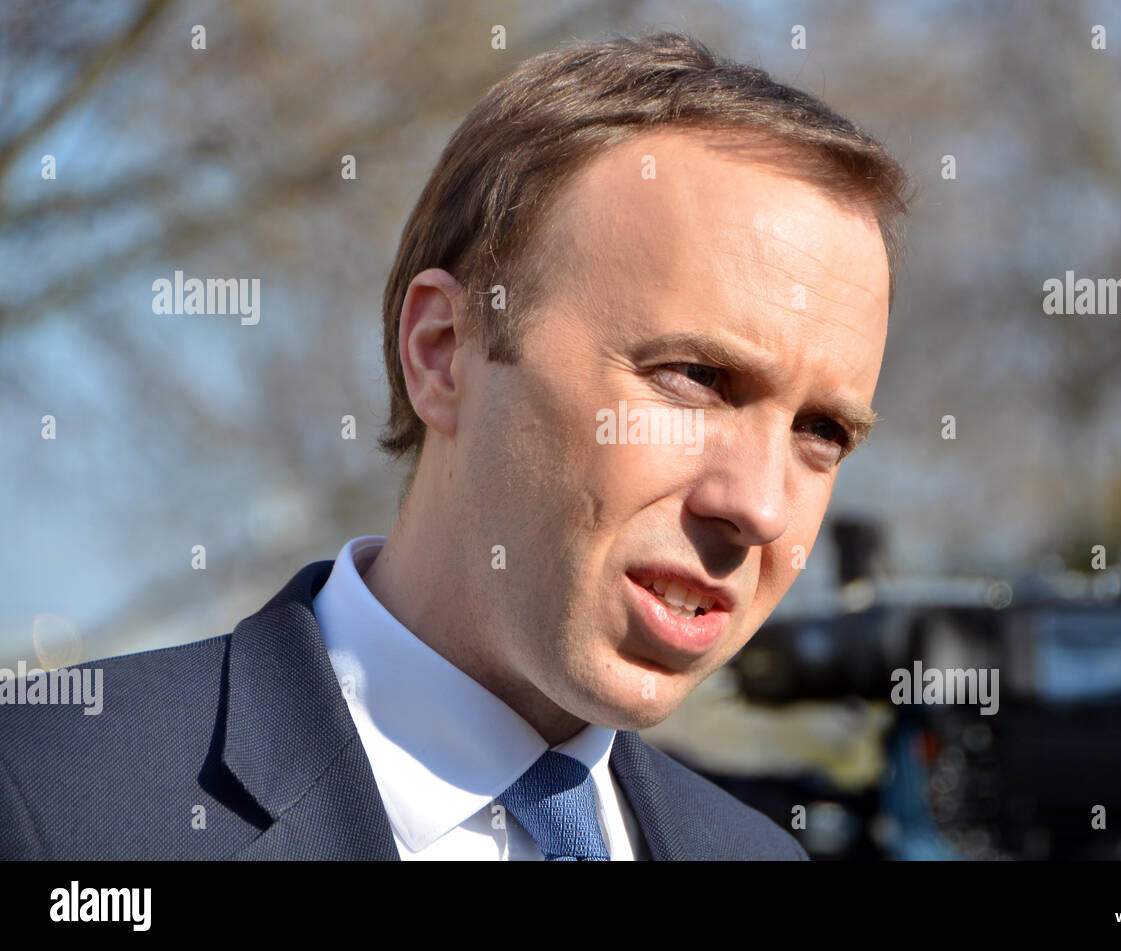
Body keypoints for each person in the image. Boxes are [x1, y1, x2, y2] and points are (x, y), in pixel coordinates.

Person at [0, 31, 907, 860]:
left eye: (821, 431)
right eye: (694, 377)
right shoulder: (53, 800)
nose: (760, 505)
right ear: (442, 352)